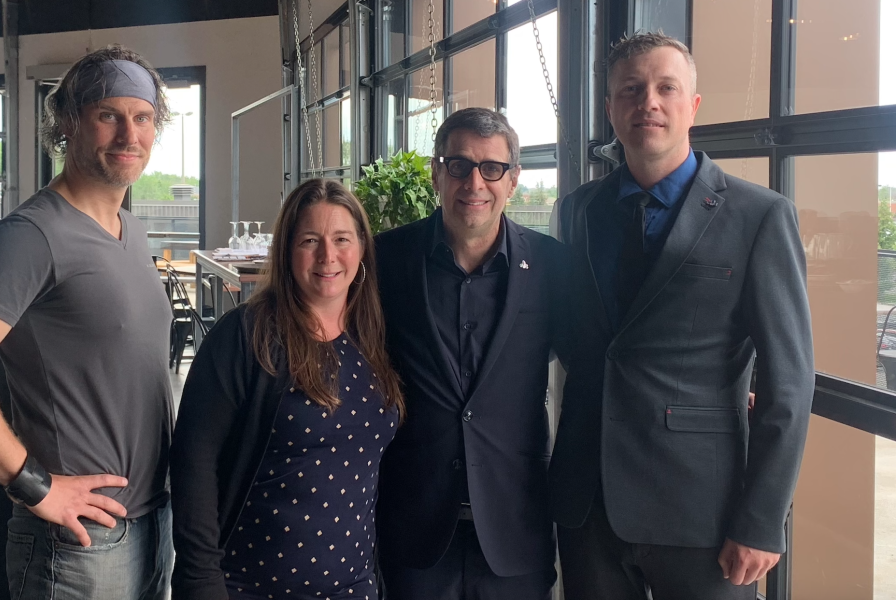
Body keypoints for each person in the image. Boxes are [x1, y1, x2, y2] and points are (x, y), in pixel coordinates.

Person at [550, 32, 815, 599]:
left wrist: (763, 519)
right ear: (610, 108)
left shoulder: (759, 216)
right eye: (630, 89)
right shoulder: (578, 210)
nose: (648, 101)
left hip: (704, 512)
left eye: (666, 87)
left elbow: (789, 384)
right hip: (588, 501)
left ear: (692, 105)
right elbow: (577, 338)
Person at [0, 45, 175, 599]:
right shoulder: (29, 236)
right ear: (68, 124)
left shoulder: (132, 230)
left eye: (143, 116)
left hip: (151, 525)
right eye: (108, 115)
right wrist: (35, 486)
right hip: (77, 542)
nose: (130, 133)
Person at [169, 178, 405, 600]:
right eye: (310, 240)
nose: (327, 256)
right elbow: (193, 463)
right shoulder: (246, 335)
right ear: (286, 251)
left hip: (355, 588)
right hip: (251, 587)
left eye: (341, 239)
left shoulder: (374, 335)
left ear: (363, 249)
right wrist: (202, 582)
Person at [374, 107, 565, 600]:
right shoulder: (385, 259)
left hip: (514, 529)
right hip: (413, 526)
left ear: (514, 179)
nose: (474, 182)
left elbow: (598, 362)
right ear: (437, 172)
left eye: (491, 168)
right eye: (458, 165)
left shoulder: (551, 266)